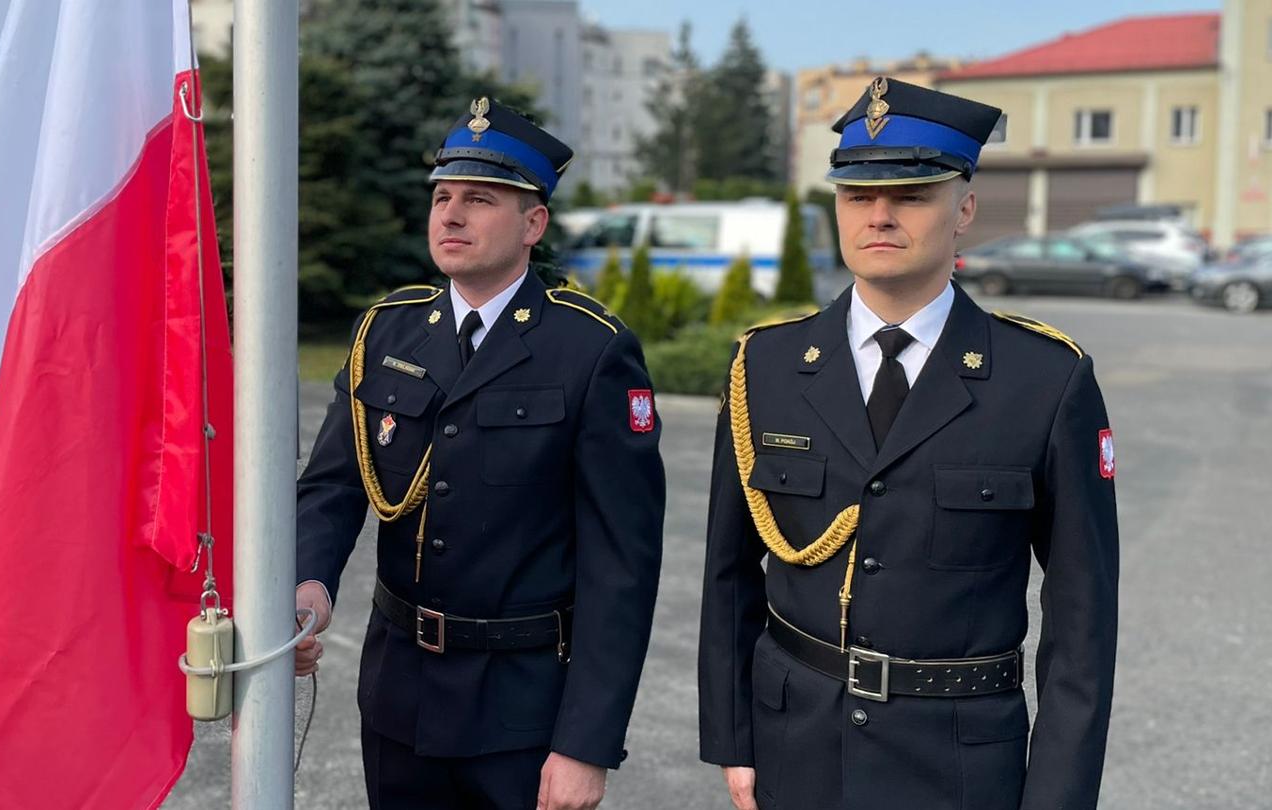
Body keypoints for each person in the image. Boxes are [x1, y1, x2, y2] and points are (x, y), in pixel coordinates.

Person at [697, 77, 1119, 810]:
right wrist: (735, 742)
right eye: (859, 197)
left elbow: (1083, 616)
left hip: (956, 764)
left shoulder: (1044, 379)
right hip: (796, 749)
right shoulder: (764, 366)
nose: (880, 216)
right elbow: (728, 574)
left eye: (912, 195)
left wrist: (1056, 795)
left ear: (965, 209)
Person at [292, 97, 666, 810]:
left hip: (520, 710)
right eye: (443, 197)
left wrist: (585, 745)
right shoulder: (389, 332)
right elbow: (333, 487)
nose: (451, 215)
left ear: (533, 224)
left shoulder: (590, 350)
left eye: (479, 200)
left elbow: (622, 566)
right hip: (398, 694)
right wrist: (310, 581)